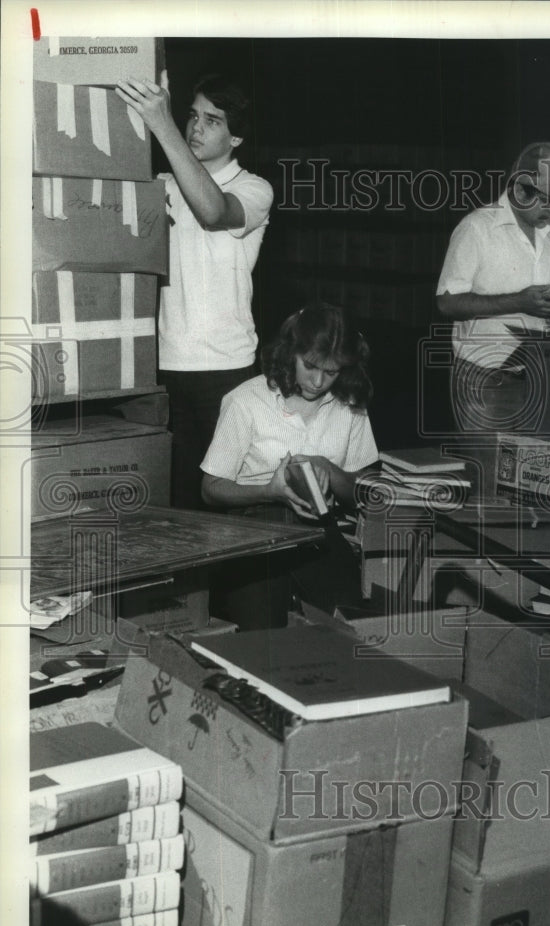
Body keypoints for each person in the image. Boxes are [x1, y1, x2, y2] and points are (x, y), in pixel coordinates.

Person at [115, 72, 274, 510]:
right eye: (191, 116)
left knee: (223, 504)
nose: (196, 127)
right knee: (172, 503)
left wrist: (162, 124)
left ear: (236, 137)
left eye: (213, 120)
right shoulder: (162, 185)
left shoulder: (254, 188)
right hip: (163, 368)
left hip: (224, 370)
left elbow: (212, 210)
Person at [200, 302, 379, 629]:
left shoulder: (349, 404)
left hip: (319, 526)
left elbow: (366, 492)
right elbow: (210, 489)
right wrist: (270, 491)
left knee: (353, 626)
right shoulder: (246, 401)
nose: (318, 381)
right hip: (253, 527)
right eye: (309, 366)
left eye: (332, 371)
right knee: (264, 635)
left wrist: (326, 467)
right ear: (290, 353)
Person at [435, 141, 550, 496]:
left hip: (536, 374)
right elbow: (447, 303)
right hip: (484, 378)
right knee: (486, 485)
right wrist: (518, 302)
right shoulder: (476, 229)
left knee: (529, 486)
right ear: (520, 188)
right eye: (548, 199)